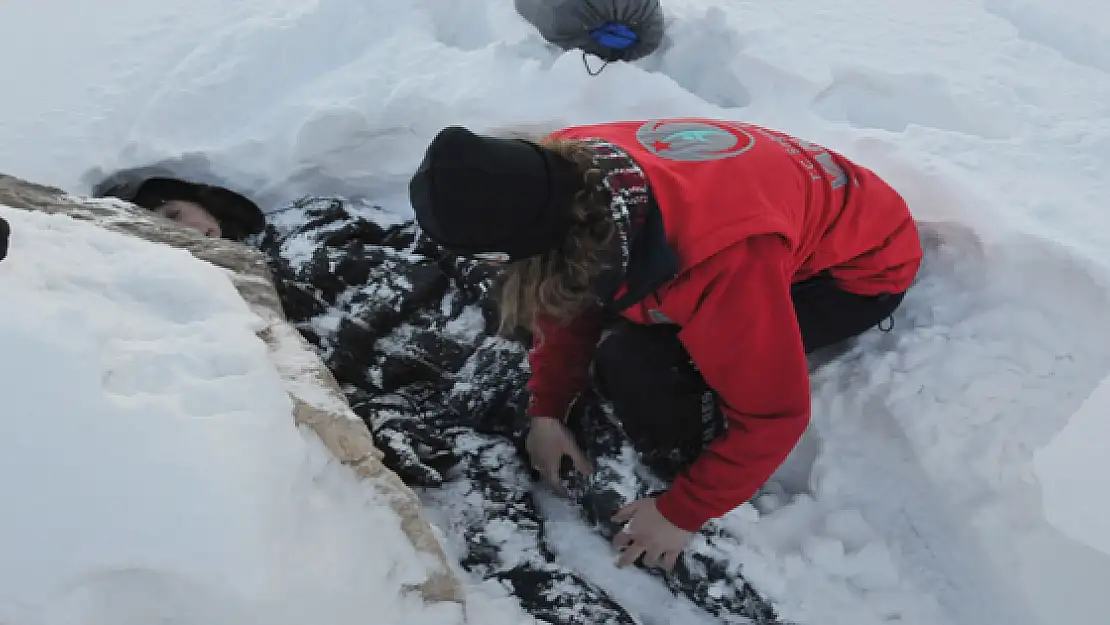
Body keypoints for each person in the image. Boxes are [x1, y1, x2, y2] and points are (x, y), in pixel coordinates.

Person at [408, 117, 924, 572]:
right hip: (771, 210)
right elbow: (566, 291)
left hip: (855, 270)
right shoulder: (567, 166)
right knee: (615, 309)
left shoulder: (716, 265)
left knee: (642, 358)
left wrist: (681, 511)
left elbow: (775, 416)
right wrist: (548, 409)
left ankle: (690, 441)